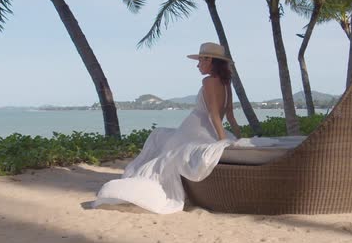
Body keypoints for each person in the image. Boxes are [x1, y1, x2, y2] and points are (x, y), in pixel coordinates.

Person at [93, 42, 241, 214]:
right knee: (161, 137)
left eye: (201, 60)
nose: (197, 64)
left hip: (195, 128)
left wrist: (222, 141)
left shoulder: (208, 81)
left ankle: (141, 185)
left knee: (160, 143)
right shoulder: (226, 83)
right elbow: (229, 114)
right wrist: (237, 137)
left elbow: (214, 114)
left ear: (210, 60)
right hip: (206, 129)